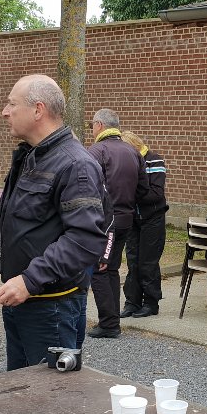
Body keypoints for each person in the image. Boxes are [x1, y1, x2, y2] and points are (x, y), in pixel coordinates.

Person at [0, 74, 108, 370]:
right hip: (22, 297)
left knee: (48, 394)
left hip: (50, 306)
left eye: (12, 104)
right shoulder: (32, 156)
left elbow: (85, 240)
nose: (5, 112)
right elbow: (38, 215)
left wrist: (29, 280)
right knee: (20, 387)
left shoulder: (76, 164)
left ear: (38, 110)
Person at [86, 108, 148, 338]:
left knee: (100, 269)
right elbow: (144, 188)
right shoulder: (133, 152)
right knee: (111, 268)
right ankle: (112, 320)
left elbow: (88, 187)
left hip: (105, 221)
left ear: (100, 125)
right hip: (126, 220)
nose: (92, 130)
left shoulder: (96, 151)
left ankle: (109, 324)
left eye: (92, 125)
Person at [118, 131, 168, 318]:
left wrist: (129, 192)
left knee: (148, 262)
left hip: (152, 218)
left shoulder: (154, 160)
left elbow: (156, 193)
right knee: (133, 261)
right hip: (133, 219)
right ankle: (132, 302)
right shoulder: (127, 163)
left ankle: (151, 303)